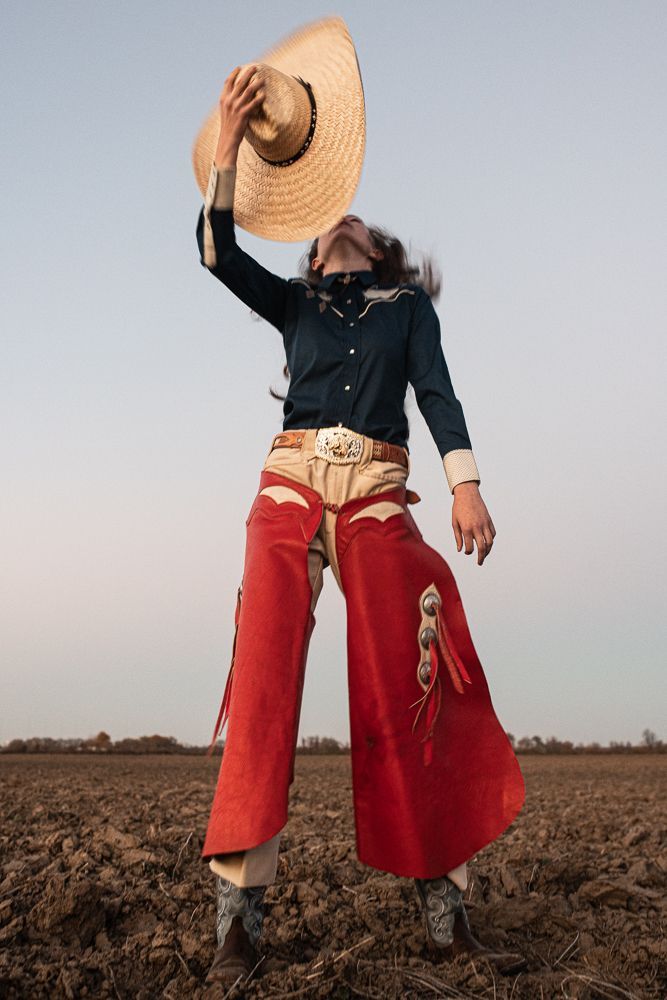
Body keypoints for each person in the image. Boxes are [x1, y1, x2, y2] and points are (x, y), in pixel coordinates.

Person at [196, 65, 527, 989]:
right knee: (262, 667)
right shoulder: (294, 303)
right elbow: (218, 255)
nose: (337, 223)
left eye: (356, 223)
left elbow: (438, 396)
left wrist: (464, 488)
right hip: (289, 484)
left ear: (379, 251)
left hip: (380, 492)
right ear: (308, 261)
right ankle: (239, 919)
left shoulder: (408, 309)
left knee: (415, 666)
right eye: (321, 230)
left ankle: (443, 906)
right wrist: (226, 150)